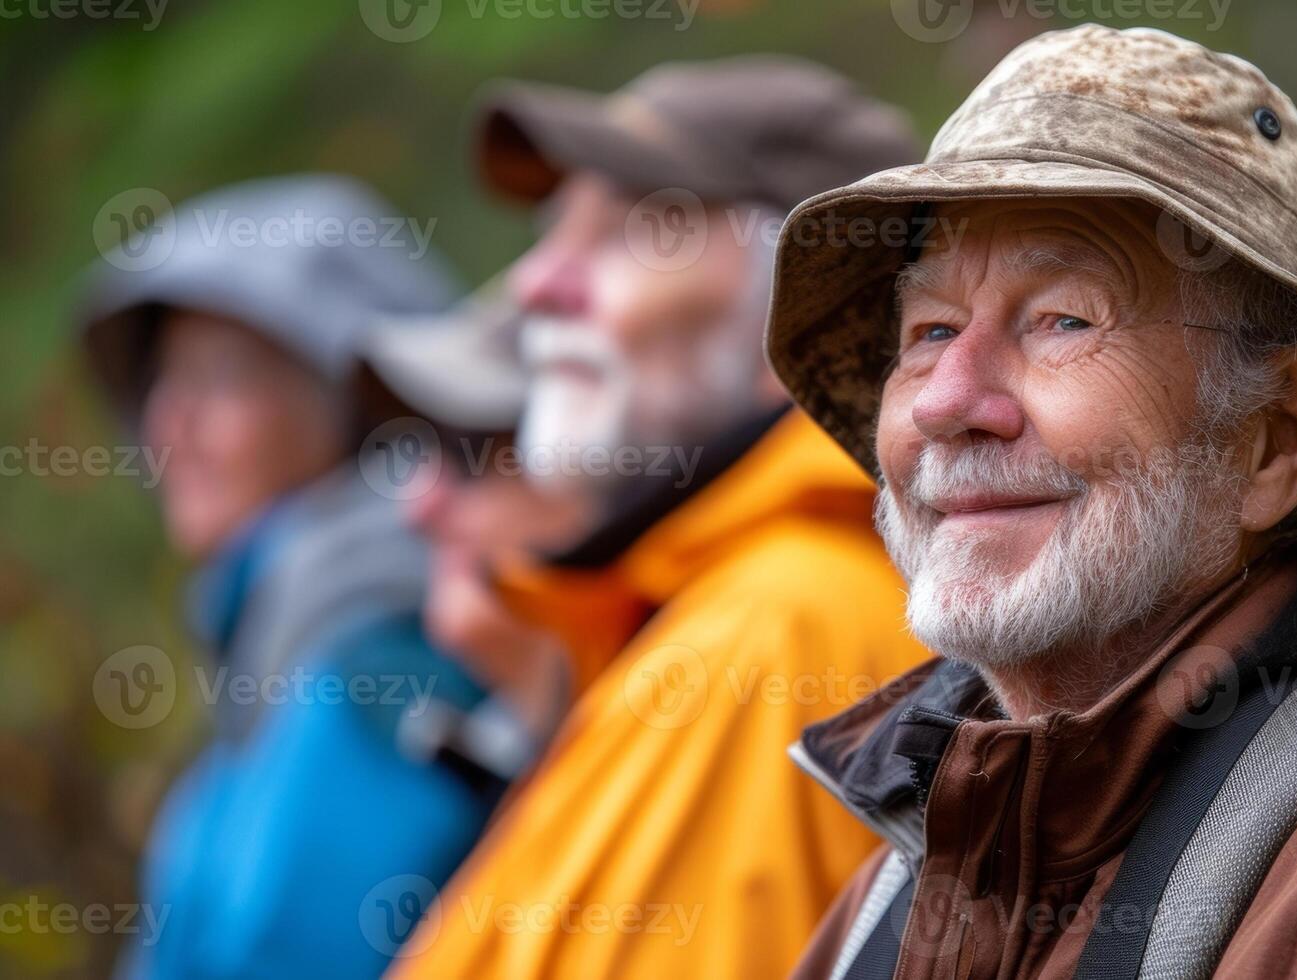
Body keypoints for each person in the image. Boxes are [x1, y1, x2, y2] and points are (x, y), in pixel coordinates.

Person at [764, 26, 1297, 979]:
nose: (944, 401)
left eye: (1062, 320)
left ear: (1276, 439)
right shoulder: (892, 897)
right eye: (929, 331)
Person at [362, 57, 931, 977]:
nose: (536, 285)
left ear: (810, 303)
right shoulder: (705, 616)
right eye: (552, 235)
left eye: (631, 229)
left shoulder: (776, 628)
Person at [78, 175, 509, 978]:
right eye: (162, 383)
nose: (171, 423)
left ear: (357, 401)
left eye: (221, 377)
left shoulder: (381, 633)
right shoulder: (280, 627)